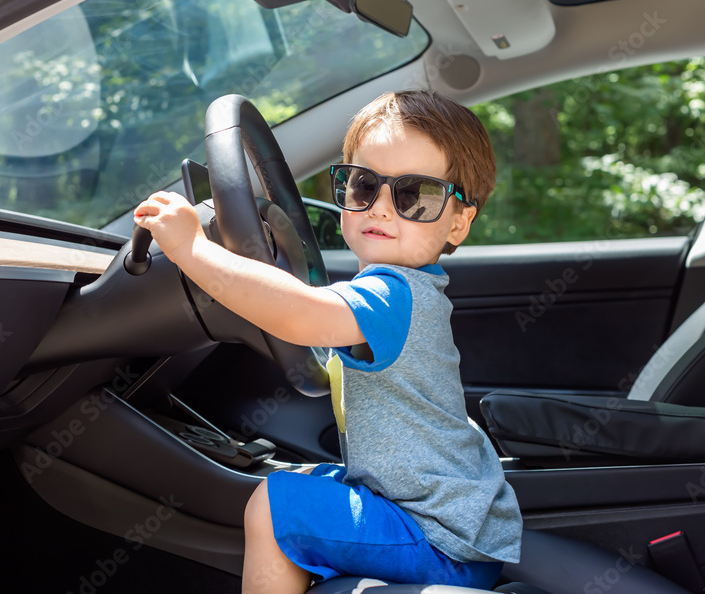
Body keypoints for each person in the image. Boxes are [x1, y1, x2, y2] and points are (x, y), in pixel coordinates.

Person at [134, 89, 522, 594]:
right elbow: (305, 312)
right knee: (309, 478)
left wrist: (190, 249)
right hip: (447, 524)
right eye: (364, 186)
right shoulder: (395, 290)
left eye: (415, 196)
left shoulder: (394, 294)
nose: (382, 208)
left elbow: (298, 314)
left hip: (440, 540)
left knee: (272, 503)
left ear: (458, 222)